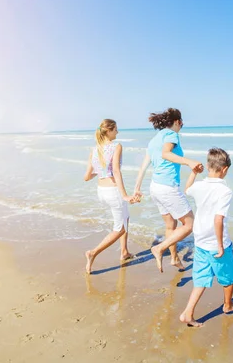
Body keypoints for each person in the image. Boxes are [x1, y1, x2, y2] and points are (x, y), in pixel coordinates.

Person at [133, 108, 204, 273]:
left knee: (170, 225)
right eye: (182, 123)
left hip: (155, 187)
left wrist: (137, 188)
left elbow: (144, 166)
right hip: (167, 188)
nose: (182, 126)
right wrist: (189, 162)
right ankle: (160, 248)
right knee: (190, 224)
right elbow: (166, 154)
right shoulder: (172, 135)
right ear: (177, 121)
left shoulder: (154, 140)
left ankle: (174, 258)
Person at [179, 148, 233, 327]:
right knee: (228, 278)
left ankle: (187, 313)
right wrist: (221, 245)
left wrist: (193, 172)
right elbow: (218, 219)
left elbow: (187, 189)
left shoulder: (199, 186)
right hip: (216, 244)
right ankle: (228, 306)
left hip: (200, 241)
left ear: (207, 166)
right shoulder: (225, 191)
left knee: (200, 279)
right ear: (225, 169)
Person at [84, 119, 137, 274]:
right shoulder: (116, 146)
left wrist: (100, 171)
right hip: (113, 192)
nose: (117, 132)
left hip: (101, 191)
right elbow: (116, 171)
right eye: (115, 130)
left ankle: (124, 252)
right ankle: (92, 253)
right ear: (109, 131)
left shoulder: (94, 149)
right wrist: (125, 195)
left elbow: (87, 176)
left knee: (125, 218)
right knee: (119, 229)